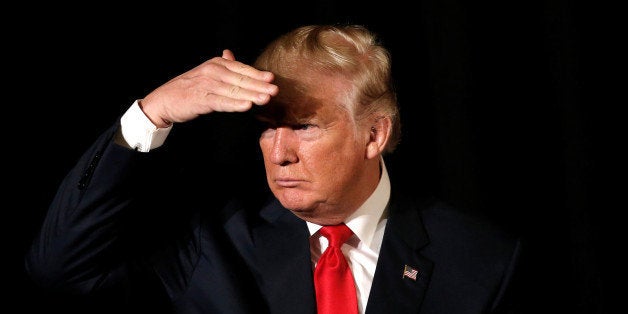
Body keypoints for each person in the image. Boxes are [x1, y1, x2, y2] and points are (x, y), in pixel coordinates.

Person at [25, 24, 524, 314]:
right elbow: (58, 270)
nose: (278, 152)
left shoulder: (481, 261)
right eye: (267, 127)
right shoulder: (212, 239)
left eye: (304, 127)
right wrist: (151, 113)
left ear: (374, 135)